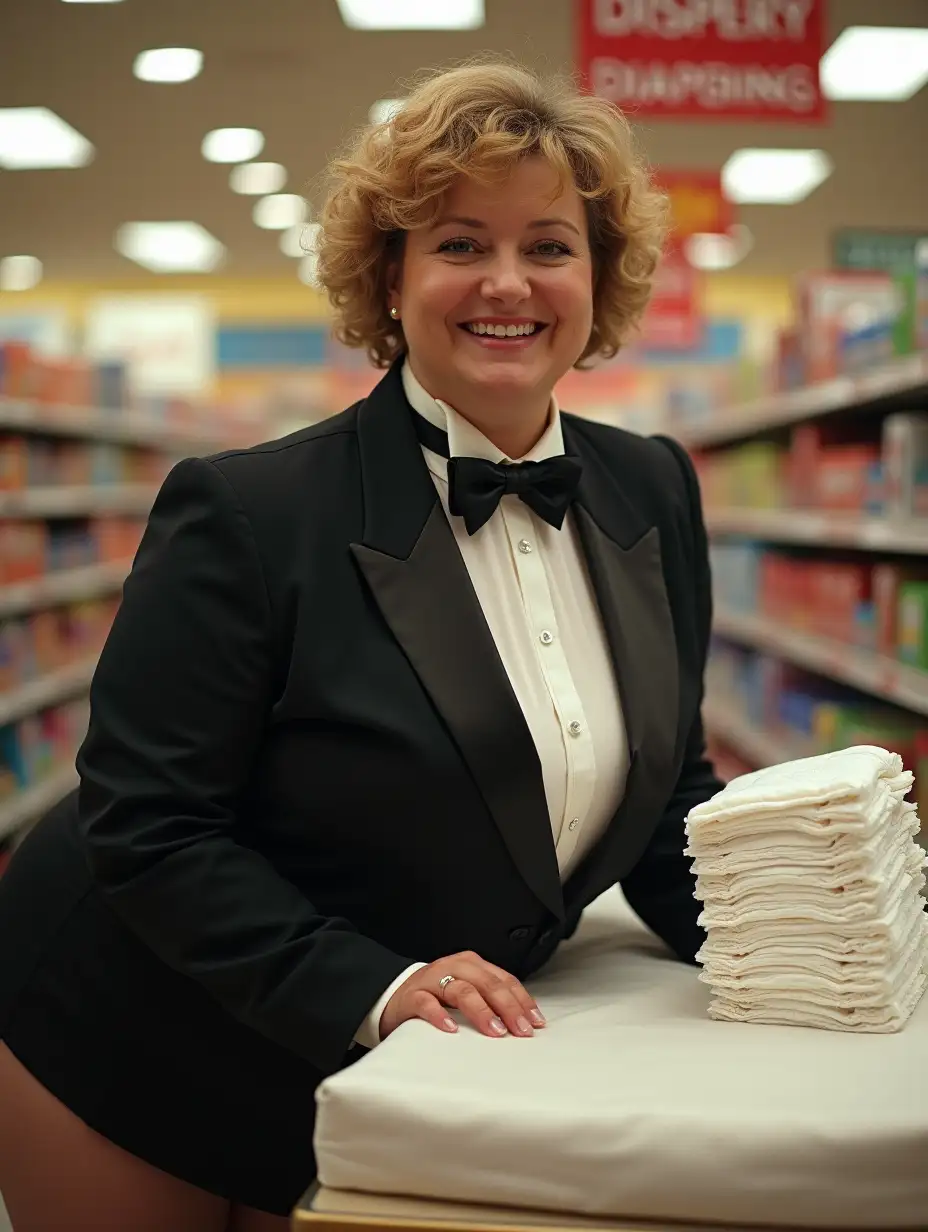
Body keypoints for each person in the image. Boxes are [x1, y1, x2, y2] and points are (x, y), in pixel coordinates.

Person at [0, 58, 723, 1232]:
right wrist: (378, 985)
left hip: (417, 1058)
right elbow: (152, 822)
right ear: (387, 278)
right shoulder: (250, 510)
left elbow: (669, 795)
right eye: (456, 244)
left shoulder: (650, 486)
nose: (508, 282)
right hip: (147, 1015)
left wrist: (816, 951)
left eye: (548, 244)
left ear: (598, 280)